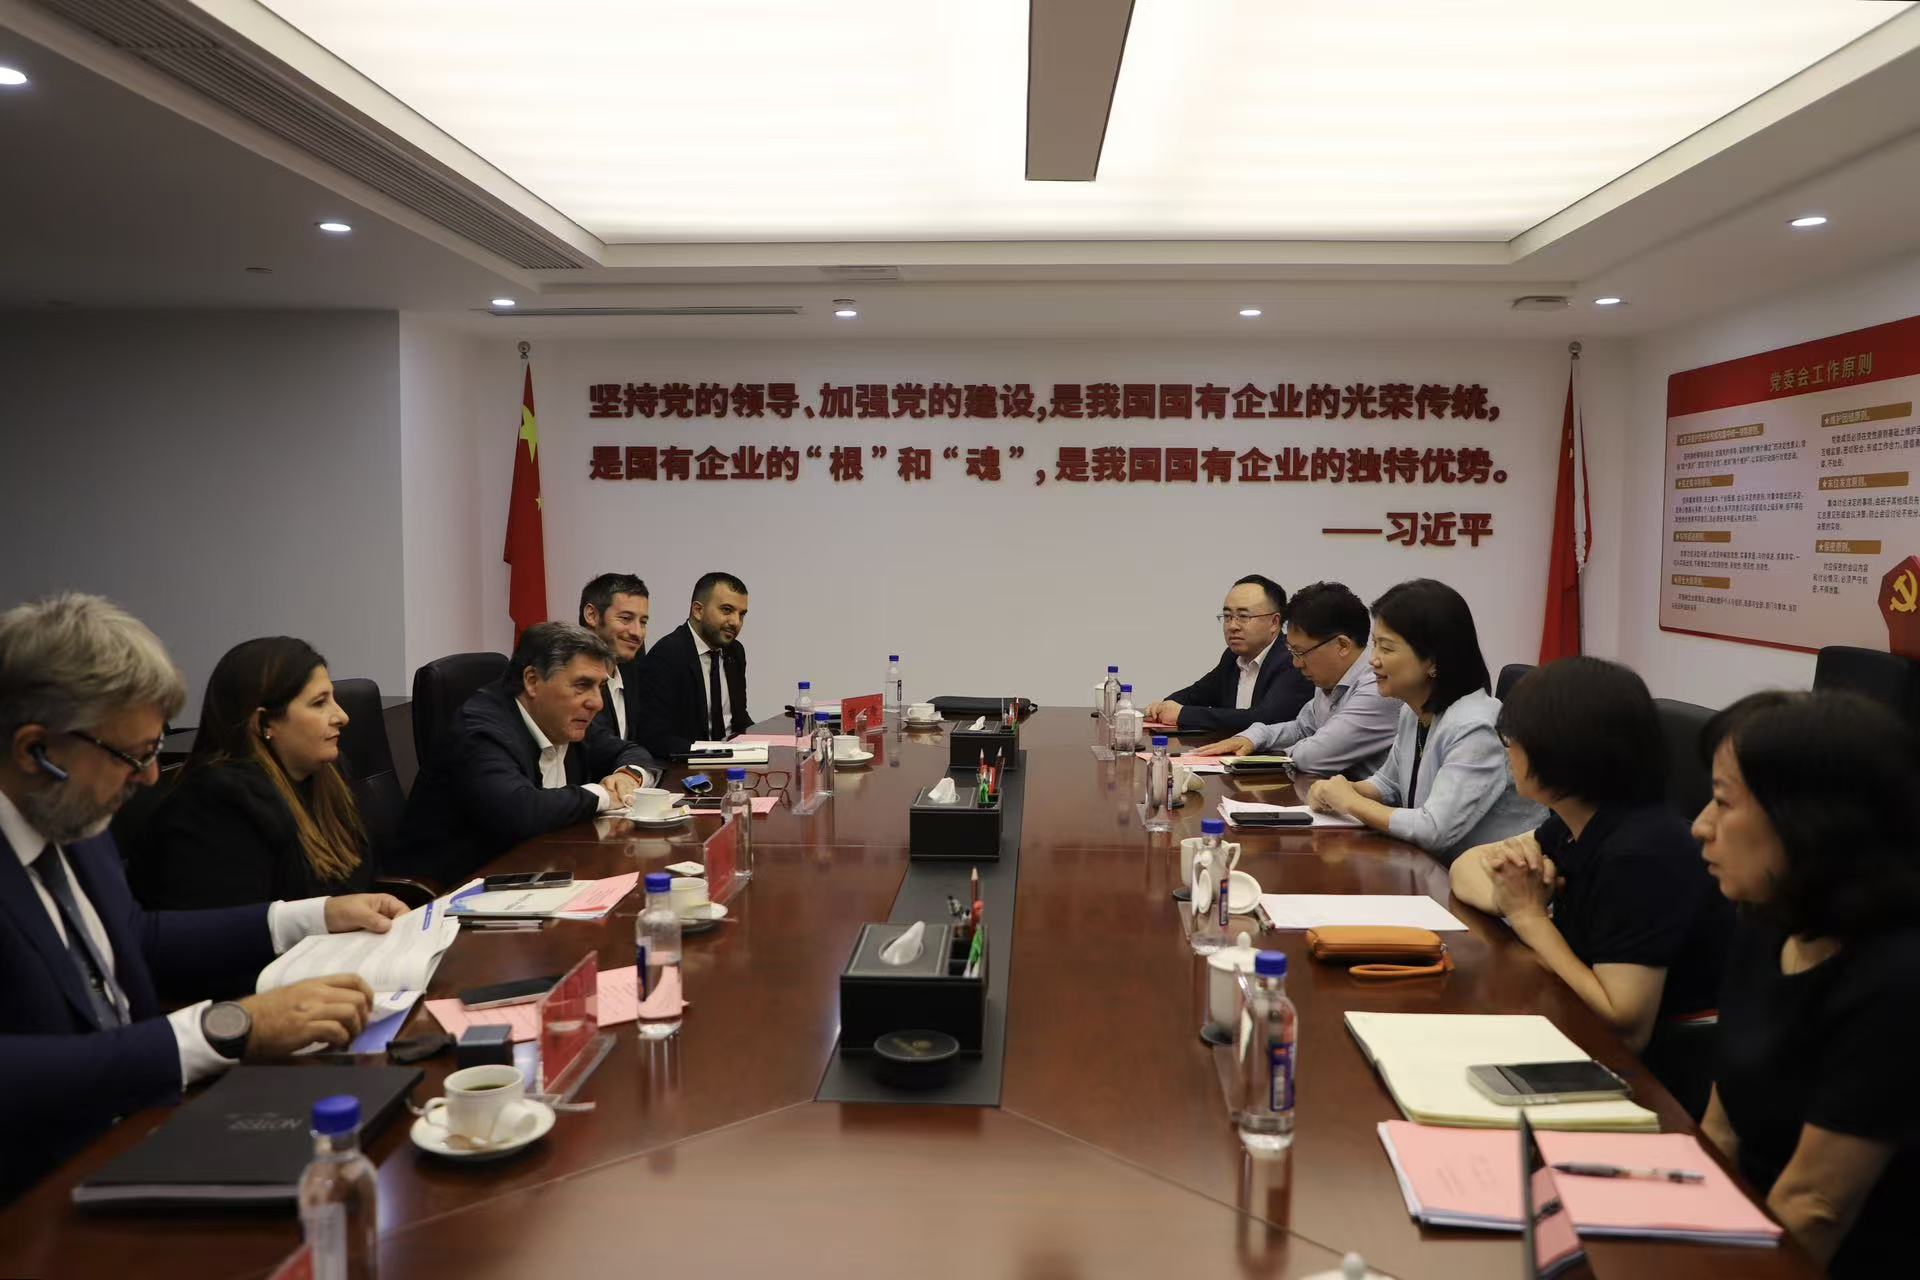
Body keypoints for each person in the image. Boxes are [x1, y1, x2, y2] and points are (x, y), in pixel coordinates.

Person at [0, 594, 405, 1203]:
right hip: (38, 1190)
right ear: (35, 751)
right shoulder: (79, 809)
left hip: (152, 1128)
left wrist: (313, 915)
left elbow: (135, 935)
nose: (150, 778)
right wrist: (222, 1030)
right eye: (133, 755)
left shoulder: (73, 818)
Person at [1693, 690, 1920, 1275]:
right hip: (1750, 1229)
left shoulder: (1898, 978)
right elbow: (1720, 1128)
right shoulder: (1766, 919)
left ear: (1810, 822)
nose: (1700, 825)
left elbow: (1815, 1207)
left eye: (1723, 801)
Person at [1448, 657, 1732, 1115]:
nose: (1508, 752)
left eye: (1513, 741)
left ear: (1562, 752)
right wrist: (1512, 894)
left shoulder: (1644, 852)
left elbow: (1625, 1025)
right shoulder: (1574, 823)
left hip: (1661, 1081)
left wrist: (1529, 917)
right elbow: (1464, 869)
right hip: (1580, 1034)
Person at [393, 623, 660, 887]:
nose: (597, 703)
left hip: (539, 870)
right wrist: (604, 795)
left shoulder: (564, 718)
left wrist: (628, 776)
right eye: (582, 685)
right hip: (457, 890)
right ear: (532, 681)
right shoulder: (480, 732)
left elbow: (631, 751)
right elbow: (521, 812)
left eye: (600, 687)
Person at [1303, 578, 1541, 862]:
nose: (1373, 660)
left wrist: (1351, 802)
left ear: (1433, 660)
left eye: (1387, 648)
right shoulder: (1413, 711)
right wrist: (1339, 790)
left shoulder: (1476, 726)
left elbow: (1434, 829)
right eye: (1375, 645)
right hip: (1429, 867)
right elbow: (1389, 785)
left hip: (1492, 878)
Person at [140, 637, 375, 909]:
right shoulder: (217, 803)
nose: (342, 716)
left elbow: (361, 881)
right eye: (319, 703)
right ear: (264, 722)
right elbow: (236, 924)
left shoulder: (331, 771)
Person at [1189, 581, 1398, 776]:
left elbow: (1314, 757)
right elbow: (1301, 728)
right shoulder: (1329, 679)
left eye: (1301, 652)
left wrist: (1268, 756)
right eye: (1292, 651)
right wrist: (1252, 737)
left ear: (1342, 645)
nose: (1297, 663)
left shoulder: (1377, 688)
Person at [1145, 575, 1313, 737]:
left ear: (1274, 622)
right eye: (1227, 616)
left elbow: (1264, 719)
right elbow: (1197, 694)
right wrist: (1163, 706)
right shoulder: (1232, 657)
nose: (1232, 626)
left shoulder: (1293, 659)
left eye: (1243, 617)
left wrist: (1183, 714)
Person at [631, 572, 753, 758]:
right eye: (727, 610)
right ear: (698, 610)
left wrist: (764, 743)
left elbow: (739, 718)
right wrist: (716, 753)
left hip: (732, 762)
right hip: (688, 765)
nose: (736, 622)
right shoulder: (666, 656)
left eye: (742, 614)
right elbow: (654, 738)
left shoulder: (735, 652)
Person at [578, 572, 650, 743]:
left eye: (643, 622)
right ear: (592, 615)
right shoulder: (571, 675)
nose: (637, 633)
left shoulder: (633, 668)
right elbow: (598, 745)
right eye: (626, 618)